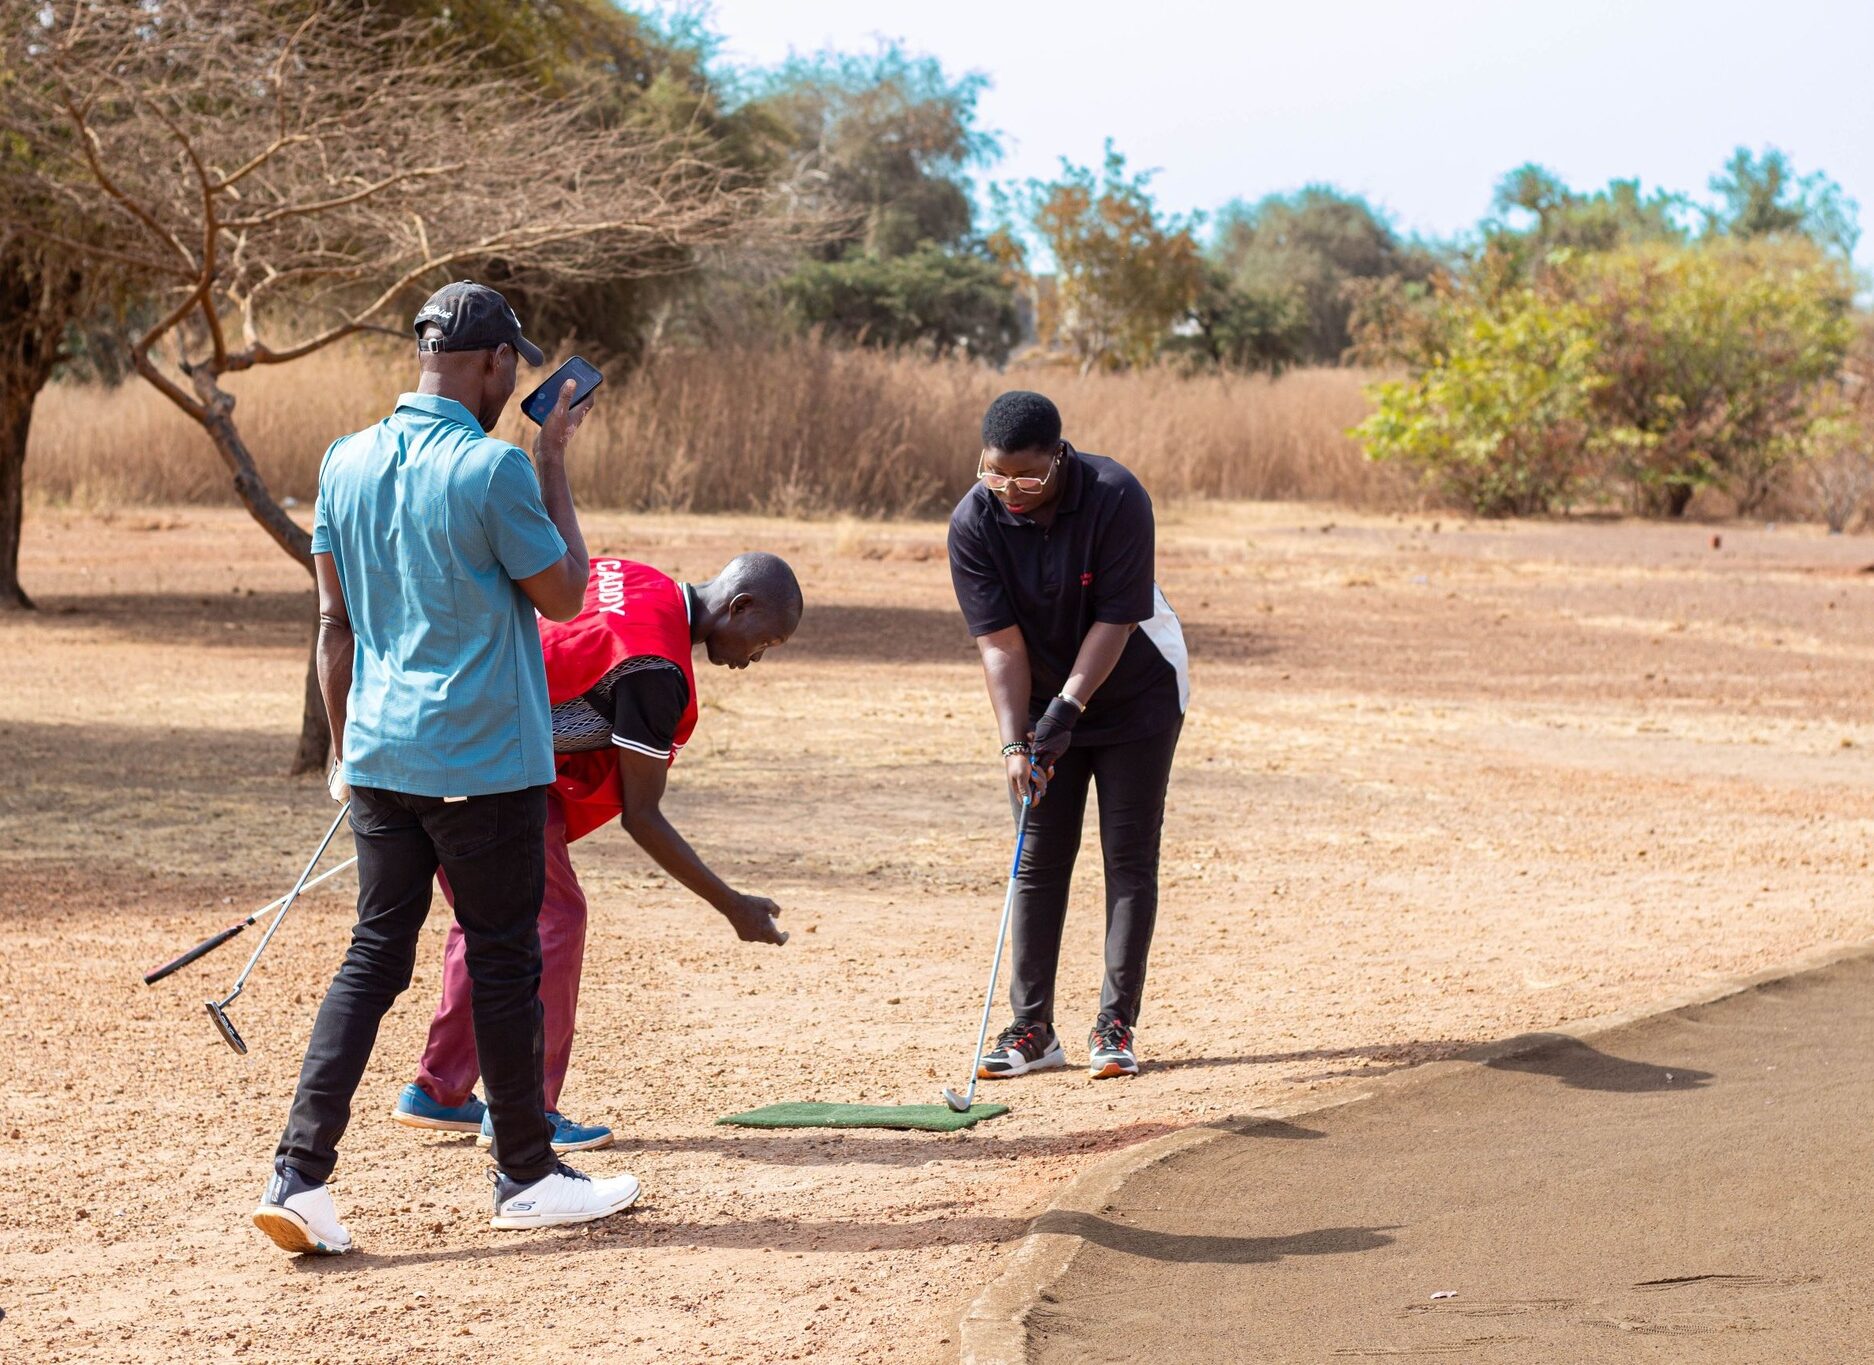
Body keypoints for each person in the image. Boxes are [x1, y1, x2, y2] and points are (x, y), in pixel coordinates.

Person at [251, 281, 638, 1257]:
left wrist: (344, 755)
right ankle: (525, 1174)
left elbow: (333, 627)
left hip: (380, 756)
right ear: (496, 364)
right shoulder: (493, 469)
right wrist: (552, 459)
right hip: (481, 762)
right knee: (504, 958)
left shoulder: (344, 459)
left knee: (373, 959)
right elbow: (566, 599)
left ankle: (297, 1181)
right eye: (512, 365)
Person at [388, 553, 801, 1149]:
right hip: (482, 764)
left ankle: (440, 1090)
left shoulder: (642, 580)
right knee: (554, 917)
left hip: (449, 732)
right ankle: (526, 1113)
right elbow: (643, 816)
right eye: (765, 641)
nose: (755, 658)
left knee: (489, 916)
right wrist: (732, 904)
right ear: (740, 606)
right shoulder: (656, 668)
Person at [947, 390, 1189, 1083]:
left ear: (1058, 456)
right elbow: (998, 645)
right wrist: (1015, 741)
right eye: (995, 475)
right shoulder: (973, 521)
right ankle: (1032, 1029)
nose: (1010, 491)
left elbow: (1116, 621)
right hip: (1043, 694)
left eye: (1027, 477)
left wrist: (1066, 709)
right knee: (1036, 855)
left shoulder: (1116, 496)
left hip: (1137, 691)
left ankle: (1115, 1022)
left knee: (1128, 856)